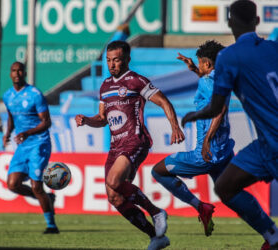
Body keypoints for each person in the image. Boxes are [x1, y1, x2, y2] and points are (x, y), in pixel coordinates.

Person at [181, 1, 278, 249]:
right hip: (265, 145)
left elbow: (216, 107)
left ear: (229, 23)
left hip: (274, 140)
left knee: (225, 188)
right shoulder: (273, 48)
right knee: (225, 185)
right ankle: (272, 236)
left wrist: (193, 116)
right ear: (257, 22)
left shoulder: (228, 57)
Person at [75, 41, 185, 250]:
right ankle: (156, 237)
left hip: (135, 140)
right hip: (115, 147)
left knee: (114, 180)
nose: (112, 64)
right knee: (114, 197)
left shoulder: (136, 80)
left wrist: (174, 127)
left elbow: (163, 101)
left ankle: (156, 211)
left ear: (126, 59)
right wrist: (87, 120)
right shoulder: (105, 86)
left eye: (116, 60)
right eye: (108, 60)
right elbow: (102, 118)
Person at [151, 40, 235, 237]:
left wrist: (206, 141)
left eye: (200, 63)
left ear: (207, 64)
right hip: (223, 152)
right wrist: (194, 70)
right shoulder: (223, 78)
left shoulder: (207, 81)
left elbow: (220, 109)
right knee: (233, 196)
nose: (199, 66)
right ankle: (270, 233)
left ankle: (200, 206)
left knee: (158, 172)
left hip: (204, 154)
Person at [3, 62, 58, 234]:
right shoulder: (7, 95)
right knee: (12, 184)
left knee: (36, 186)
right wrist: (8, 132)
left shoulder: (35, 94)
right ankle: (47, 198)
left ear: (25, 73)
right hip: (22, 145)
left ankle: (51, 225)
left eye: (20, 70)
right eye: (13, 70)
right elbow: (12, 116)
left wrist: (28, 133)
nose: (17, 73)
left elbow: (47, 122)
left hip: (39, 143)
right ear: (10, 74)